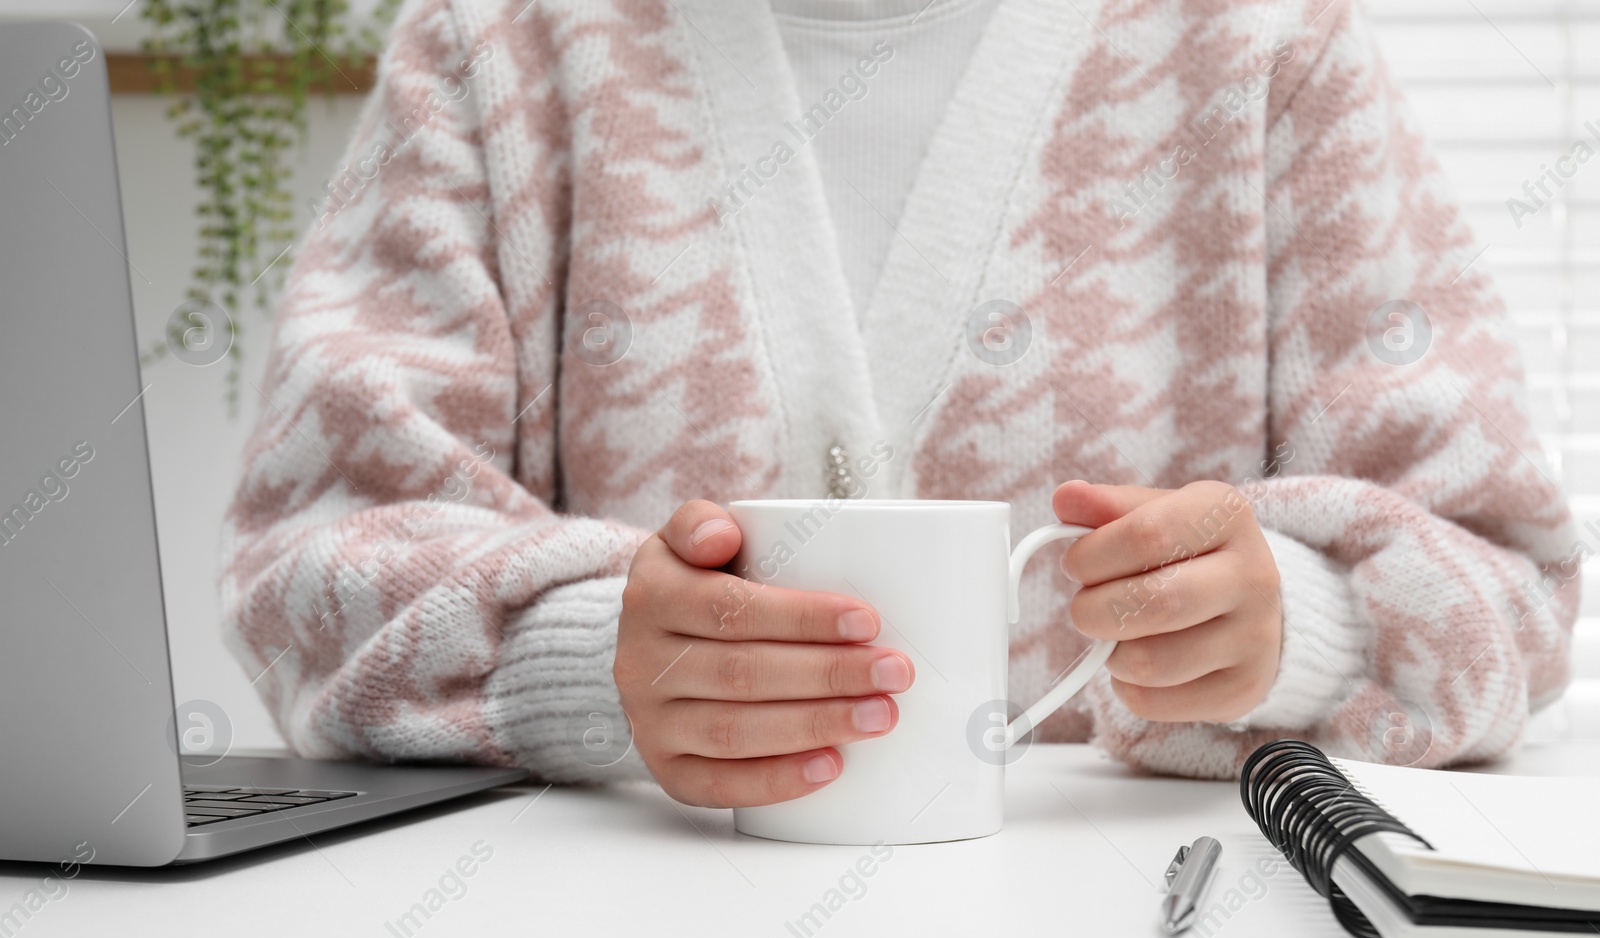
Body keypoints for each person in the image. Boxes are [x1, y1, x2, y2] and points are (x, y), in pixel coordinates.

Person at [220, 0, 1579, 807]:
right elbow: (307, 570)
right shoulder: (496, 40)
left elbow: (1512, 590)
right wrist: (590, 670)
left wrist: (1303, 629)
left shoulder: (1265, 42)